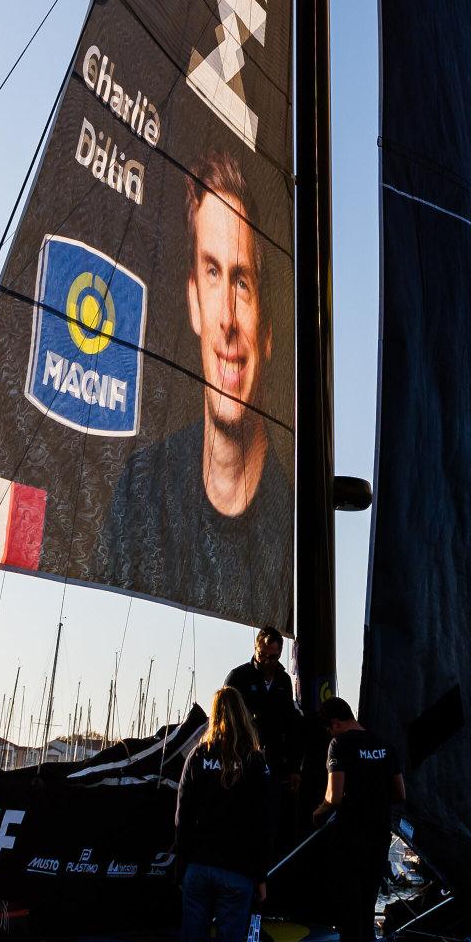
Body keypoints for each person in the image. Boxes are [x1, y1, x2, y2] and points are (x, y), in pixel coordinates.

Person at [106, 149, 291, 621]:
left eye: (243, 283)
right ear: (193, 302)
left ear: (268, 330)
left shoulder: (296, 533)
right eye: (213, 274)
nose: (227, 319)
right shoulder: (137, 495)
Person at [175, 687, 274, 942]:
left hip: (199, 866)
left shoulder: (198, 756)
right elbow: (262, 822)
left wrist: (182, 865)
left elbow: (182, 816)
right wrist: (261, 875)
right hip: (237, 870)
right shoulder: (255, 761)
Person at [310, 697, 403, 942]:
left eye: (329, 729)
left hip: (350, 838)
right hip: (379, 835)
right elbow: (400, 794)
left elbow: (334, 795)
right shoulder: (385, 746)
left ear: (335, 723)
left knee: (349, 910)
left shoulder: (339, 745)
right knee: (367, 907)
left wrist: (318, 812)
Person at [223, 627, 302, 792]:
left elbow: (291, 725)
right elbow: (225, 721)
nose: (266, 661)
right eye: (262, 655)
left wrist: (294, 767)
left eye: (272, 657)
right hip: (244, 758)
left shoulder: (283, 681)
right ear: (255, 649)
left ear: (280, 654)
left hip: (275, 760)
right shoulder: (238, 677)